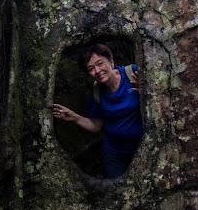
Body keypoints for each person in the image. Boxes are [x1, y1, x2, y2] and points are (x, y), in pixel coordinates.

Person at [53, 44, 143, 178]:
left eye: (100, 63)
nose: (97, 70)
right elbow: (97, 126)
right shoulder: (96, 92)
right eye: (91, 68)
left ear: (111, 61)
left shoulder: (133, 73)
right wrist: (74, 117)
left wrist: (146, 92)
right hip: (114, 154)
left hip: (143, 146)